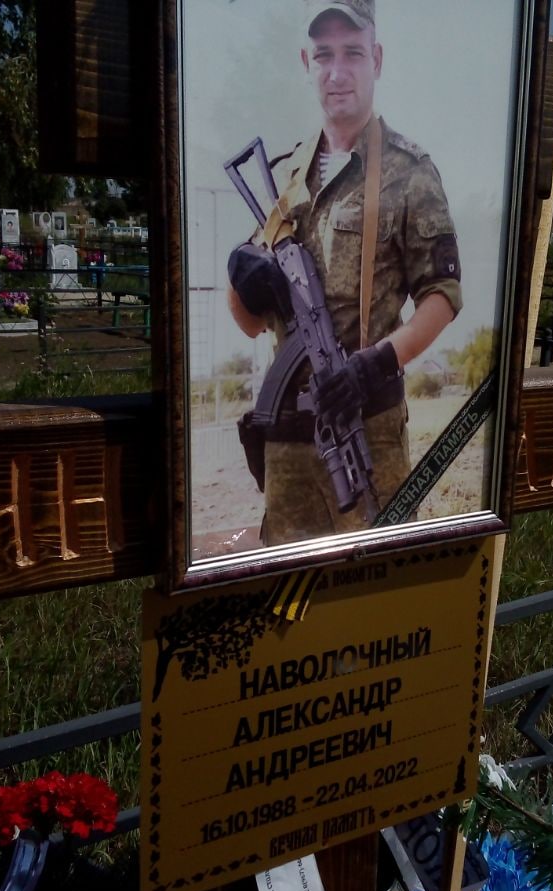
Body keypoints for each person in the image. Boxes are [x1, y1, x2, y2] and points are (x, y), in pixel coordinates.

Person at [226, 0, 462, 547]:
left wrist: (375, 363)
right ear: (305, 62)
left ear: (375, 59)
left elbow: (442, 295)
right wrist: (242, 278)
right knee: (287, 586)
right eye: (324, 55)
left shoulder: (409, 172)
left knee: (378, 576)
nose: (337, 72)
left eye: (352, 53)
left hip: (367, 431)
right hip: (287, 443)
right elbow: (250, 323)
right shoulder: (284, 176)